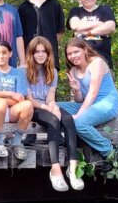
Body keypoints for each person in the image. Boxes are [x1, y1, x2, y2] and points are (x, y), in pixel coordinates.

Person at [24, 35, 83, 192]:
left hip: (47, 105)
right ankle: (55, 170)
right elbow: (29, 99)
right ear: (31, 53)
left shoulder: (52, 71)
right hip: (34, 108)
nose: (41, 54)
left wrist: (53, 106)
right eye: (37, 52)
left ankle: (73, 168)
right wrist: (47, 107)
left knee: (68, 119)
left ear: (49, 53)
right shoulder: (23, 71)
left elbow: (50, 96)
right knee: (53, 120)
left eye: (44, 51)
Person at [60, 37, 118, 165]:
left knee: (79, 123)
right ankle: (61, 138)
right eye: (69, 54)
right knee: (52, 107)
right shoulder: (73, 70)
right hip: (88, 104)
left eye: (76, 52)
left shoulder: (96, 63)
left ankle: (110, 151)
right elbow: (79, 100)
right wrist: (76, 90)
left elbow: (93, 93)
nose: (73, 56)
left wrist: (78, 115)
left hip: (106, 103)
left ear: (85, 50)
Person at [0, 40, 33, 162]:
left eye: (4, 52)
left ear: (10, 54)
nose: (1, 56)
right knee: (0, 104)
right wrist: (10, 94)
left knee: (28, 105)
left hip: (12, 112)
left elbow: (20, 99)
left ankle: (17, 142)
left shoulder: (17, 73)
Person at [18, 0, 66, 68]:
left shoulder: (55, 4)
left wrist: (46, 48)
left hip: (50, 58)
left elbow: (60, 31)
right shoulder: (22, 8)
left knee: (51, 84)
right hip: (30, 59)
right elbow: (20, 35)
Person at [68, 0, 116, 69]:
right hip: (79, 62)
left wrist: (87, 32)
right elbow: (75, 26)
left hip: (103, 60)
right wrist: (100, 24)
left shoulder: (105, 9)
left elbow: (111, 27)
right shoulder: (75, 11)